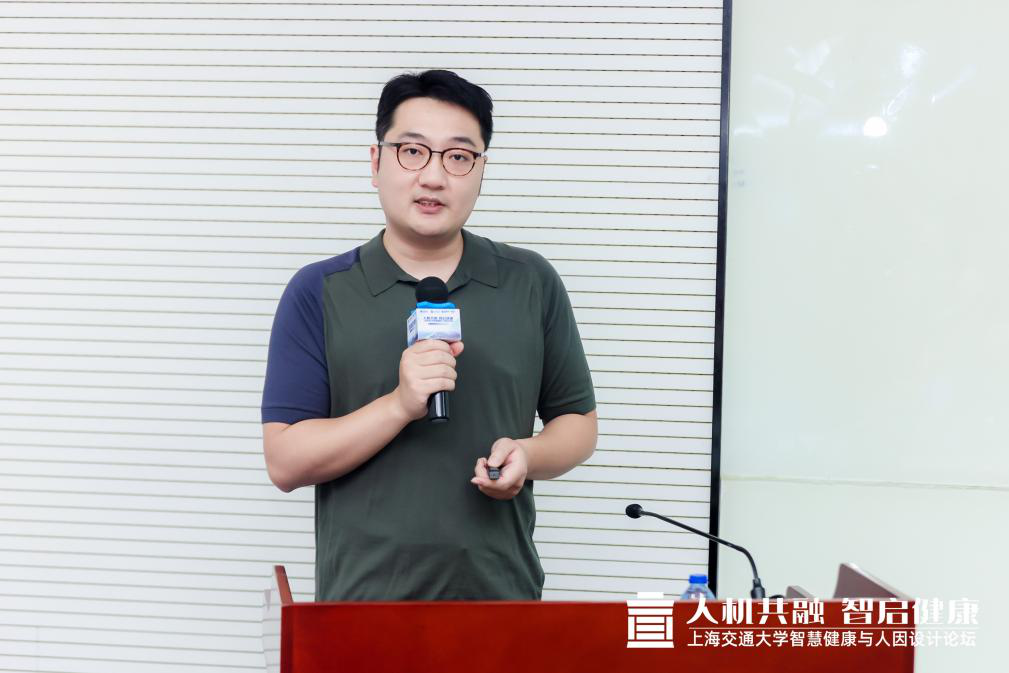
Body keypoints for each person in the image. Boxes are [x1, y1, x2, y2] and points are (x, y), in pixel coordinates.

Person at [261, 69, 598, 601]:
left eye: (458, 156)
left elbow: (578, 424)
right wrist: (398, 405)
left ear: (481, 171)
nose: (434, 176)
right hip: (361, 613)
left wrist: (528, 456)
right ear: (376, 163)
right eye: (412, 151)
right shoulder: (319, 291)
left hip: (502, 605)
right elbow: (285, 461)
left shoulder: (530, 281)